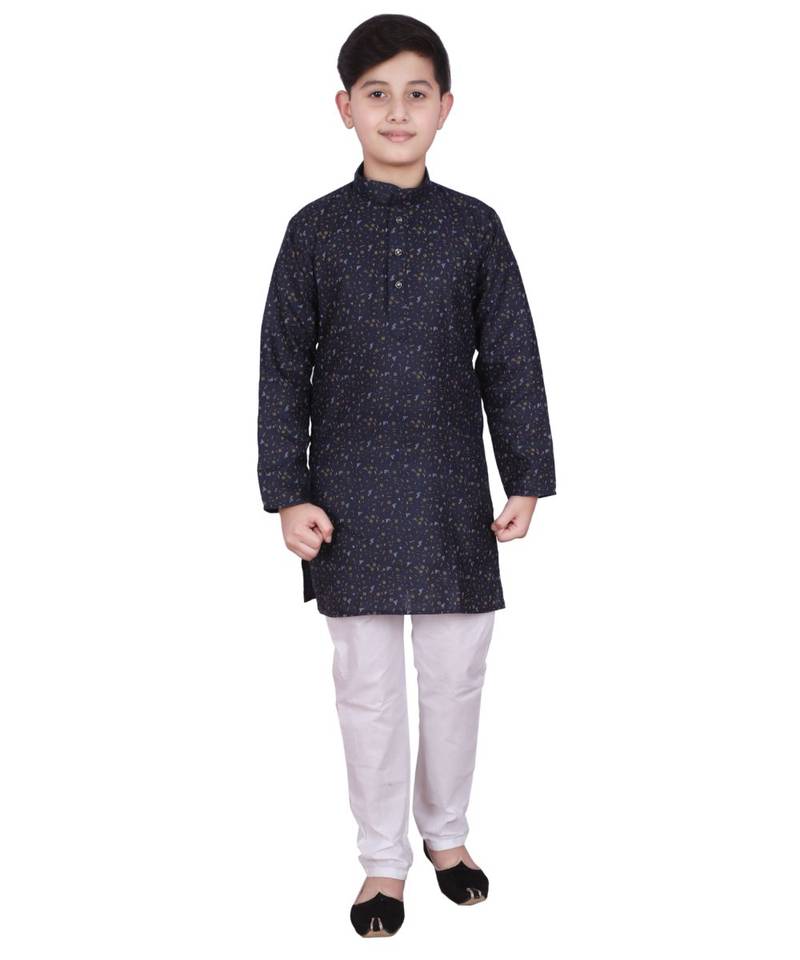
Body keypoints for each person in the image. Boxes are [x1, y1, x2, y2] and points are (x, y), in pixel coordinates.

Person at [257, 14, 556, 938]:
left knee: (456, 679)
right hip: (345, 496)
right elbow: (282, 367)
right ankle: (382, 862)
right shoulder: (314, 231)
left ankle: (447, 839)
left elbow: (509, 356)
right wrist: (287, 491)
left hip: (449, 492)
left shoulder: (475, 228)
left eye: (416, 94)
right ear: (344, 107)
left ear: (446, 107)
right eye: (377, 94)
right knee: (367, 688)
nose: (397, 112)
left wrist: (525, 475)